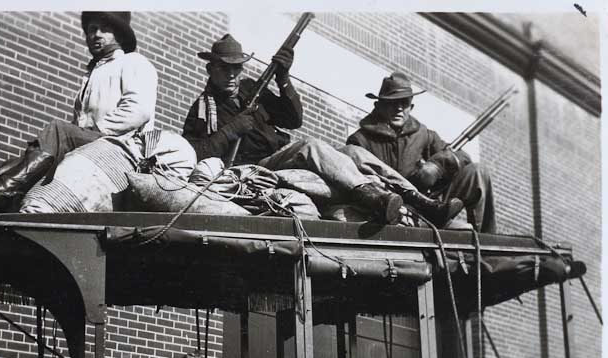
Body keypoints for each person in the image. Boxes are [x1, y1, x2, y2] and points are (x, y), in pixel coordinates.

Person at [182, 34, 462, 226]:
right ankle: (372, 196)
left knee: (353, 151)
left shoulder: (250, 89)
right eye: (225, 69)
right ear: (210, 68)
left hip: (283, 156)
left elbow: (293, 119)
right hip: (254, 170)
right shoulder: (204, 107)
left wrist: (284, 79)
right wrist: (232, 130)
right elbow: (194, 154)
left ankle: (422, 202)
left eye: (237, 68)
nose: (232, 75)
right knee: (311, 145)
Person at [0, 11, 158, 212]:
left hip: (121, 147)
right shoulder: (92, 74)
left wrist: (94, 129)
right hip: (91, 146)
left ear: (120, 34)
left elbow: (138, 110)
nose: (96, 34)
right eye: (91, 30)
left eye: (104, 29)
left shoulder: (134, 63)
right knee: (26, 160)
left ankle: (6, 190)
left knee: (58, 130)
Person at [347, 72, 496, 233]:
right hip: (391, 210)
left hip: (432, 208)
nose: (399, 108)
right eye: (393, 103)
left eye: (404, 103)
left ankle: (488, 244)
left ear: (411, 107)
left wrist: (437, 165)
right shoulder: (360, 140)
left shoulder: (423, 134)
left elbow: (463, 157)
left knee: (477, 171)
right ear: (380, 105)